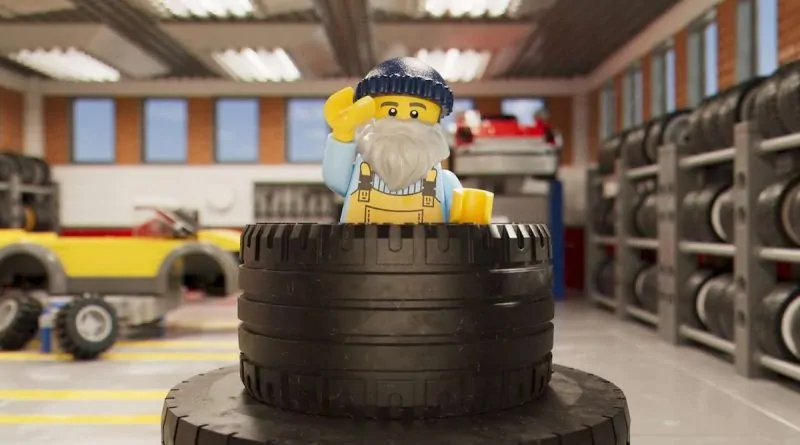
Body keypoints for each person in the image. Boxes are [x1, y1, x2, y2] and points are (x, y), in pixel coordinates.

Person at [321, 57, 493, 224]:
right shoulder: (360, 175)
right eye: (391, 112)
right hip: (359, 245)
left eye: (415, 113)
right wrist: (343, 133)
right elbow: (335, 179)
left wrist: (470, 217)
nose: (402, 123)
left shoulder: (443, 184)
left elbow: (463, 220)